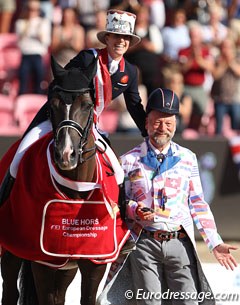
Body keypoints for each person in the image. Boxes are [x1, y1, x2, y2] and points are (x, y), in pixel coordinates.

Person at [0, 9, 147, 203]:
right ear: (108, 38)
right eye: (117, 36)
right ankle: (4, 198)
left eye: (126, 37)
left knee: (118, 173)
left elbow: (134, 105)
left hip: (88, 125)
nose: (121, 41)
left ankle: (117, 216)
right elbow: (59, 82)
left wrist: (148, 133)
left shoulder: (130, 71)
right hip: (59, 118)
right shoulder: (88, 58)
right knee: (20, 154)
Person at [120, 88, 238, 305]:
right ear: (146, 122)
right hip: (144, 243)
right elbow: (120, 202)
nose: (163, 128)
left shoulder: (187, 158)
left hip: (180, 242)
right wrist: (135, 210)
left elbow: (198, 204)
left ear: (175, 124)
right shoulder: (128, 160)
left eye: (169, 123)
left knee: (188, 301)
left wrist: (215, 242)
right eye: (157, 122)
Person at [15, 0, 51, 95]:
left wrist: (38, 33)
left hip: (37, 55)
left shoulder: (44, 22)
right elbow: (20, 42)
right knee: (23, 78)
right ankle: (21, 99)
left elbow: (46, 41)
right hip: (26, 55)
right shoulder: (21, 23)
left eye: (35, 9)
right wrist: (29, 27)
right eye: (30, 9)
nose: (32, 12)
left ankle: (38, 100)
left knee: (39, 78)